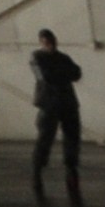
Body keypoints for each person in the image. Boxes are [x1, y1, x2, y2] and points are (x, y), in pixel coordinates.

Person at [29, 30, 89, 189]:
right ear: (41, 42)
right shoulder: (38, 57)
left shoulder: (62, 57)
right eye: (46, 41)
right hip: (50, 103)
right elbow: (46, 77)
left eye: (51, 40)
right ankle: (37, 171)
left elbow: (76, 73)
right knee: (45, 139)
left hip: (65, 102)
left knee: (72, 137)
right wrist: (64, 74)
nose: (50, 43)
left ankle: (71, 169)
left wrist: (60, 74)